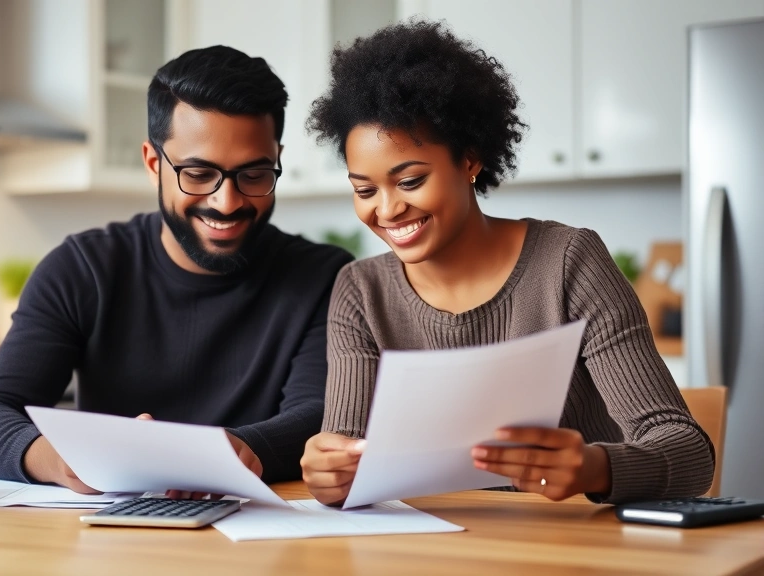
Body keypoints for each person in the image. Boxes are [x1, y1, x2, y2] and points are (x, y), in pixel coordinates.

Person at [299, 21, 714, 506]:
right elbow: (344, 457)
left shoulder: (567, 263)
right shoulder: (360, 290)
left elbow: (688, 453)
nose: (387, 210)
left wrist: (594, 468)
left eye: (410, 181)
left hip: (568, 544)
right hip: (428, 546)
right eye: (364, 190)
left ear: (469, 159)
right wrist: (330, 472)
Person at [0, 46, 353, 492]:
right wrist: (62, 459)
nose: (227, 202)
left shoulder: (327, 278)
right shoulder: (82, 269)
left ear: (276, 160)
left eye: (254, 175)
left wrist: (236, 450)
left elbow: (320, 415)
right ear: (152, 163)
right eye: (199, 174)